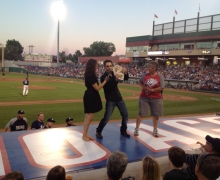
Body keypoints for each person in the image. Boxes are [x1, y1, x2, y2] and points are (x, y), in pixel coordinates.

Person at [96, 60, 130, 139]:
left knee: (125, 115)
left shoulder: (115, 73)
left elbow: (126, 78)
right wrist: (116, 80)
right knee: (106, 118)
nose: (109, 67)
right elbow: (108, 87)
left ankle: (123, 130)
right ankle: (98, 131)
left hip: (118, 98)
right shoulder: (103, 77)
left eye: (110, 65)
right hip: (110, 100)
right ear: (104, 67)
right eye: (107, 66)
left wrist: (125, 72)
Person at [134, 61, 164, 137]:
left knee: (156, 114)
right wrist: (144, 87)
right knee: (141, 113)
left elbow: (161, 87)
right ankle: (137, 128)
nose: (148, 68)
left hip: (156, 98)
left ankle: (155, 129)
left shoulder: (160, 76)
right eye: (149, 66)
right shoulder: (145, 75)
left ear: (155, 68)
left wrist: (152, 90)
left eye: (150, 67)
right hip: (144, 97)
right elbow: (140, 82)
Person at [82, 59, 108, 141]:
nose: (97, 66)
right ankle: (84, 135)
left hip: (90, 95)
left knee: (88, 116)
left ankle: (86, 134)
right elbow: (97, 88)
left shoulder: (89, 74)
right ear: (93, 65)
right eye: (96, 64)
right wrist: (105, 82)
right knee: (89, 116)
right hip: (91, 96)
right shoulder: (90, 75)